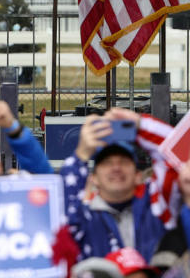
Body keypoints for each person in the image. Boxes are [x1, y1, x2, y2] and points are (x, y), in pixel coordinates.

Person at [62, 108, 178, 262]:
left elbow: (176, 157)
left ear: (138, 175)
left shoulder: (156, 207)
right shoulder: (84, 218)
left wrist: (141, 125)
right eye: (107, 163)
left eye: (123, 162)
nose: (116, 168)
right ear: (93, 178)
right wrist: (82, 154)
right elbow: (62, 200)